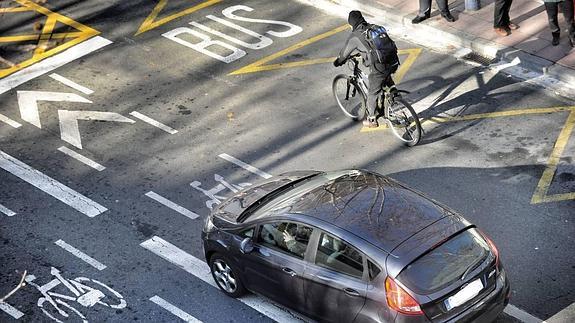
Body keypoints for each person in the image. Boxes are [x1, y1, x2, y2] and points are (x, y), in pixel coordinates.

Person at [334, 11, 399, 128]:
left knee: (372, 92)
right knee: (385, 75)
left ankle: (372, 119)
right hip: (394, 60)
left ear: (351, 24)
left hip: (379, 67)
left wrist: (338, 61)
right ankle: (394, 93)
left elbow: (344, 54)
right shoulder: (374, 28)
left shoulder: (356, 36)